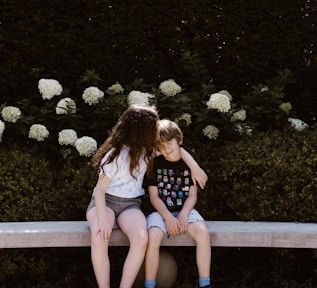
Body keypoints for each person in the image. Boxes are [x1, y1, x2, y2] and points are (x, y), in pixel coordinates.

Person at [86, 105, 208, 288]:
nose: (156, 130)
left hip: (130, 205)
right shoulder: (115, 155)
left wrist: (194, 167)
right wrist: (103, 219)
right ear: (141, 131)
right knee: (99, 236)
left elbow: (177, 149)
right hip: (105, 203)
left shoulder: (148, 151)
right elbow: (100, 191)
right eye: (153, 127)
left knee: (141, 238)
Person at [143, 119, 212, 288]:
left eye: (169, 143)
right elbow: (154, 197)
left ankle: (205, 283)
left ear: (179, 140)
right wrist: (167, 217)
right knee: (152, 237)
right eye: (161, 146)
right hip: (161, 213)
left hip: (185, 211)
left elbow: (192, 196)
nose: (166, 149)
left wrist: (183, 214)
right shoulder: (155, 164)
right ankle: (149, 284)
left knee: (203, 234)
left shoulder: (189, 166)